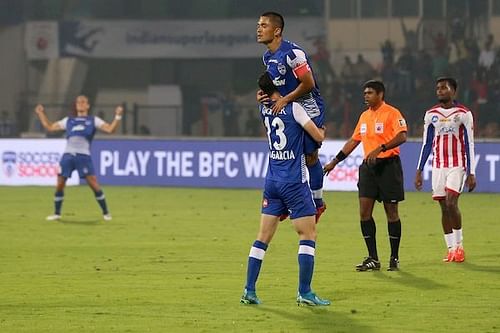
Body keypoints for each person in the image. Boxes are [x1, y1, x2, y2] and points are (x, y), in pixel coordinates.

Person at [240, 72, 330, 306]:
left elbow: (266, 99)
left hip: (272, 181)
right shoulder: (294, 109)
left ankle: (249, 291)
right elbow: (317, 137)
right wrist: (323, 131)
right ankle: (305, 292)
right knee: (308, 235)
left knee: (262, 237)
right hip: (294, 182)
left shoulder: (264, 109)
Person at [323, 80, 407, 271]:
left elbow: (402, 136)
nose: (365, 96)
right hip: (368, 169)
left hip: (389, 167)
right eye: (365, 93)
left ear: (380, 94)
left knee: (391, 212)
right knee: (364, 212)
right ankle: (373, 258)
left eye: (369, 93)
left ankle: (394, 257)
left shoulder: (392, 113)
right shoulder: (364, 116)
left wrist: (382, 148)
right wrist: (335, 162)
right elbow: (354, 141)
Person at [256, 11, 326, 222]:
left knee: (309, 156)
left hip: (309, 106)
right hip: (288, 106)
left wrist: (285, 100)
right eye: (258, 25)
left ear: (277, 31)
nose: (259, 29)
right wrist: (263, 94)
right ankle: (288, 201)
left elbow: (308, 84)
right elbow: (273, 84)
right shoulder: (268, 57)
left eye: (264, 25)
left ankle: (318, 202)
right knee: (290, 154)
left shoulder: (293, 54)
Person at [414, 77, 476, 263]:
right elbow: (426, 144)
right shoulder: (431, 114)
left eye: (444, 88)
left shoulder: (463, 113)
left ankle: (460, 247)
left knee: (451, 203)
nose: (440, 91)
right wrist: (419, 170)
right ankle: (450, 249)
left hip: (457, 165)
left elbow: (469, 143)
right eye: (438, 88)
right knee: (443, 206)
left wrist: (471, 172)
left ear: (453, 91)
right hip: (439, 166)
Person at [34, 95, 123, 221]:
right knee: (60, 184)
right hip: (68, 156)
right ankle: (57, 213)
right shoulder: (68, 121)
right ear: (76, 106)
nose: (80, 103)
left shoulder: (93, 120)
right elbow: (50, 127)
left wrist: (118, 116)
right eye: (78, 102)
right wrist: (41, 113)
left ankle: (106, 212)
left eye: (83, 102)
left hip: (83, 156)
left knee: (94, 185)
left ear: (88, 105)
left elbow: (110, 129)